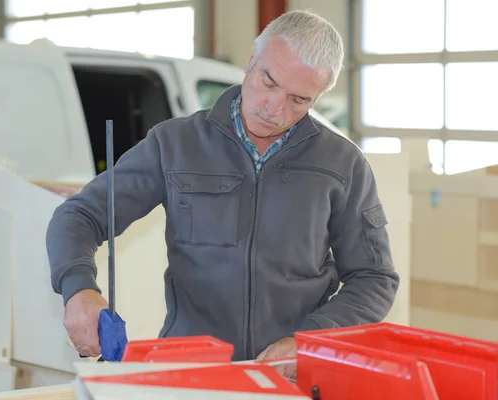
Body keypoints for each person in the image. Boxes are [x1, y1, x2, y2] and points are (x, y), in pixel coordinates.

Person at [46, 10, 399, 380]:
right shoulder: (175, 144)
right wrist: (79, 291)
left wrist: (312, 340)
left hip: (291, 376)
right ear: (250, 62)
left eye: (299, 100)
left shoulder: (342, 164)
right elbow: (79, 216)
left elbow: (374, 277)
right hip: (190, 371)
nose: (275, 109)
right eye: (269, 81)